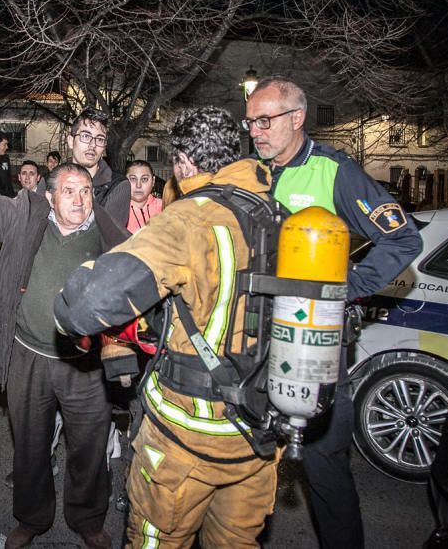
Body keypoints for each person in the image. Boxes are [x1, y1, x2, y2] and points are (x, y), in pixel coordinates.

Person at [55, 107, 280, 547]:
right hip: (259, 432)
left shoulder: (188, 219)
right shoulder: (278, 214)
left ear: (182, 162)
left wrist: (85, 271)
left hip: (187, 436)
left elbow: (84, 308)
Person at [245, 76, 423, 549]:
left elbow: (402, 238)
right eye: (250, 123)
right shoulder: (250, 172)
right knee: (247, 470)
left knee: (324, 471)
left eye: (264, 121)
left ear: (296, 118)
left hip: (312, 349)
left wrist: (346, 289)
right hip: (253, 345)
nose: (255, 131)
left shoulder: (334, 171)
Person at [0, 119, 127, 549]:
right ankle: (31, 517)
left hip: (85, 364)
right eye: (68, 191)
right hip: (28, 356)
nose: (78, 199)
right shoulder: (27, 214)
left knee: (89, 447)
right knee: (30, 444)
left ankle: (88, 519)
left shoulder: (108, 234)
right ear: (50, 196)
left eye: (84, 192)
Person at [37, 109, 130, 230]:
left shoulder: (118, 186)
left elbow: (108, 236)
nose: (93, 145)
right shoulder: (48, 182)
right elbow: (36, 229)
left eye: (100, 139)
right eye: (86, 136)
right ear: (71, 141)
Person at [124, 160, 163, 234]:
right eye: (133, 179)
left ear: (153, 181)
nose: (138, 185)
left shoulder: (165, 207)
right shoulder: (117, 210)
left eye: (144, 179)